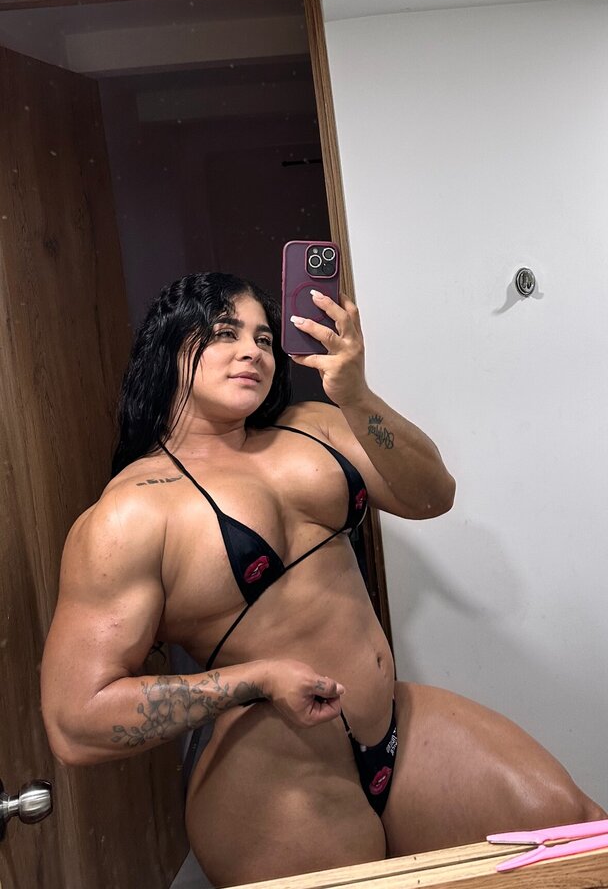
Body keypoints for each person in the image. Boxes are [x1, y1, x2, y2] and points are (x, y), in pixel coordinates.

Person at [41, 272, 605, 887]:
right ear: (170, 346)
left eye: (263, 337)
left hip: (393, 725)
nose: (252, 351)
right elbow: (75, 722)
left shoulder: (312, 424)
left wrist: (355, 395)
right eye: (225, 333)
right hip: (278, 772)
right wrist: (254, 678)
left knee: (577, 837)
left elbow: (432, 496)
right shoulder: (133, 511)